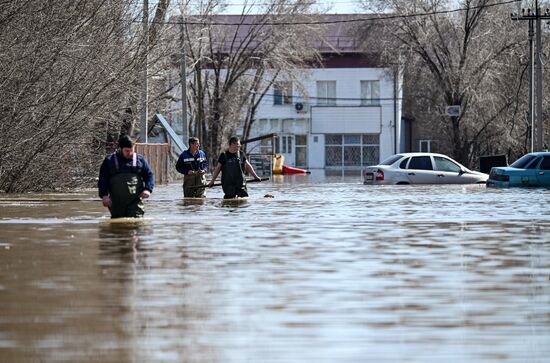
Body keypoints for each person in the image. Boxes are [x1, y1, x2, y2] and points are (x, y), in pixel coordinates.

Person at [98, 135, 154, 218]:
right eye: (127, 151)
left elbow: (149, 175)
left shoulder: (140, 160)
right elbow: (103, 180)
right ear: (120, 149)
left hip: (135, 202)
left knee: (136, 223)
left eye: (131, 150)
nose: (130, 153)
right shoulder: (109, 161)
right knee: (117, 225)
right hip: (116, 203)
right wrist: (104, 196)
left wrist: (148, 189)